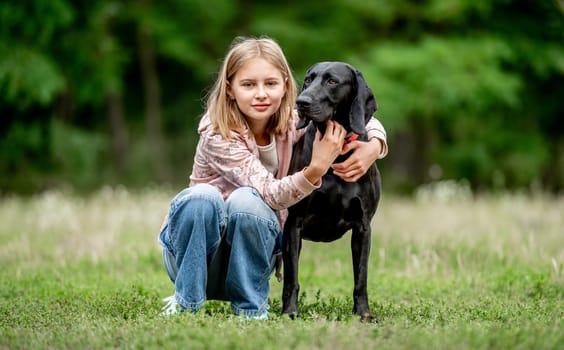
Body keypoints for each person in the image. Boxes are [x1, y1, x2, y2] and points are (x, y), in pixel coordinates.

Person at [158, 36, 388, 320]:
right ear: (229, 89)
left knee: (247, 203)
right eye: (248, 84)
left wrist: (374, 145)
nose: (261, 94)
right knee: (209, 197)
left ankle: (251, 308)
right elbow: (270, 194)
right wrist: (315, 168)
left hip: (251, 262)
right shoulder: (217, 133)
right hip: (195, 259)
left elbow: (357, 115)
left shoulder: (291, 124)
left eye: (270, 84)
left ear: (285, 87)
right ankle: (185, 302)